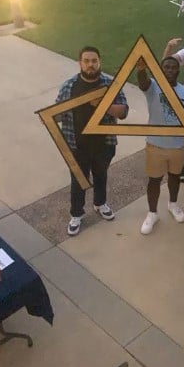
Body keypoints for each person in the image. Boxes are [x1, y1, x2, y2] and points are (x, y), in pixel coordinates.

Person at [58, 47, 129, 236]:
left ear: (100, 62)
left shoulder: (110, 84)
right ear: (80, 62)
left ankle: (100, 203)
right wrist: (49, 117)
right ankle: (76, 214)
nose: (90, 64)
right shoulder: (69, 86)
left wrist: (103, 104)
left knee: (101, 175)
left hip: (104, 144)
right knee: (78, 181)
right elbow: (58, 112)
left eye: (94, 61)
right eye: (87, 61)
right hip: (76, 144)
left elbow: (123, 112)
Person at [134, 56, 184, 235]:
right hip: (155, 145)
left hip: (178, 145)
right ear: (161, 69)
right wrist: (141, 69)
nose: (169, 70)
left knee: (175, 177)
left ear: (178, 70)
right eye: (165, 67)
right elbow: (143, 83)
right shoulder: (153, 86)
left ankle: (173, 204)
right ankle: (152, 213)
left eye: (173, 67)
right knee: (154, 180)